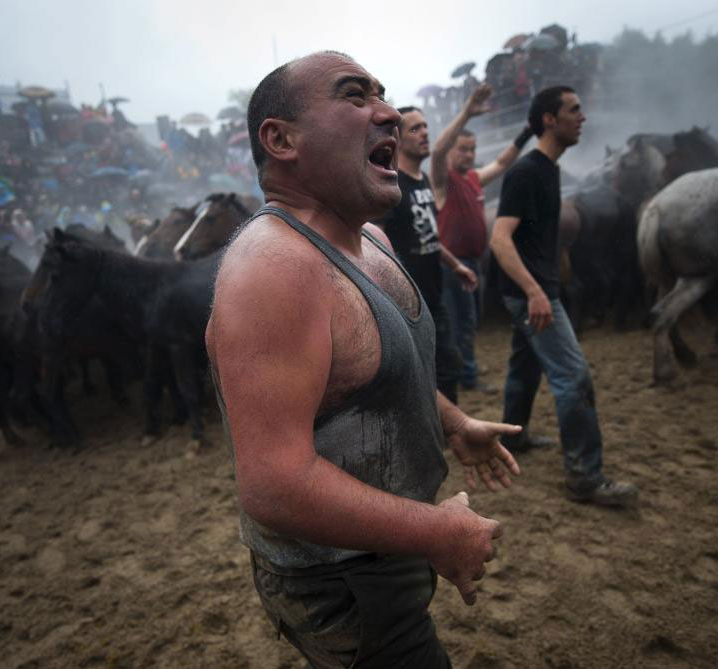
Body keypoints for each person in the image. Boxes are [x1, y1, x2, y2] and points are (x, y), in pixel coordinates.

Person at [205, 51, 523, 668]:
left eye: (385, 96)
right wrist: (439, 531)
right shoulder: (274, 268)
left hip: (385, 548)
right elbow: (273, 485)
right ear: (282, 139)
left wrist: (456, 425)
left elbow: (373, 366)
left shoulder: (369, 237)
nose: (389, 115)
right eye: (355, 97)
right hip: (339, 582)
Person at [490, 85, 638, 507]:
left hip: (536, 286)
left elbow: (538, 236)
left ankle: (513, 435)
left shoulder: (549, 170)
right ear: (550, 120)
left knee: (525, 368)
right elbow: (501, 239)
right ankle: (585, 478)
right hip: (530, 294)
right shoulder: (526, 172)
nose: (583, 117)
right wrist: (536, 290)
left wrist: (557, 266)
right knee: (573, 378)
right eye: (574, 110)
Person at [430, 83, 533, 395]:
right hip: (451, 264)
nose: (469, 155)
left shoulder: (473, 178)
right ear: (451, 153)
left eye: (472, 150)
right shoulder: (442, 180)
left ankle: (466, 373)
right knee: (458, 324)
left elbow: (502, 163)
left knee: (469, 323)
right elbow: (436, 150)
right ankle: (463, 377)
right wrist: (466, 114)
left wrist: (527, 133)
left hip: (473, 262)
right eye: (462, 149)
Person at [374, 105, 477, 404]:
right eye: (415, 129)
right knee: (427, 372)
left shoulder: (423, 182)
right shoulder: (393, 186)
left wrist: (455, 264)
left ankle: (445, 435)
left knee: (447, 366)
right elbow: (379, 244)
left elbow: (427, 236)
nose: (425, 134)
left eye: (425, 127)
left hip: (433, 293)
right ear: (398, 138)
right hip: (406, 299)